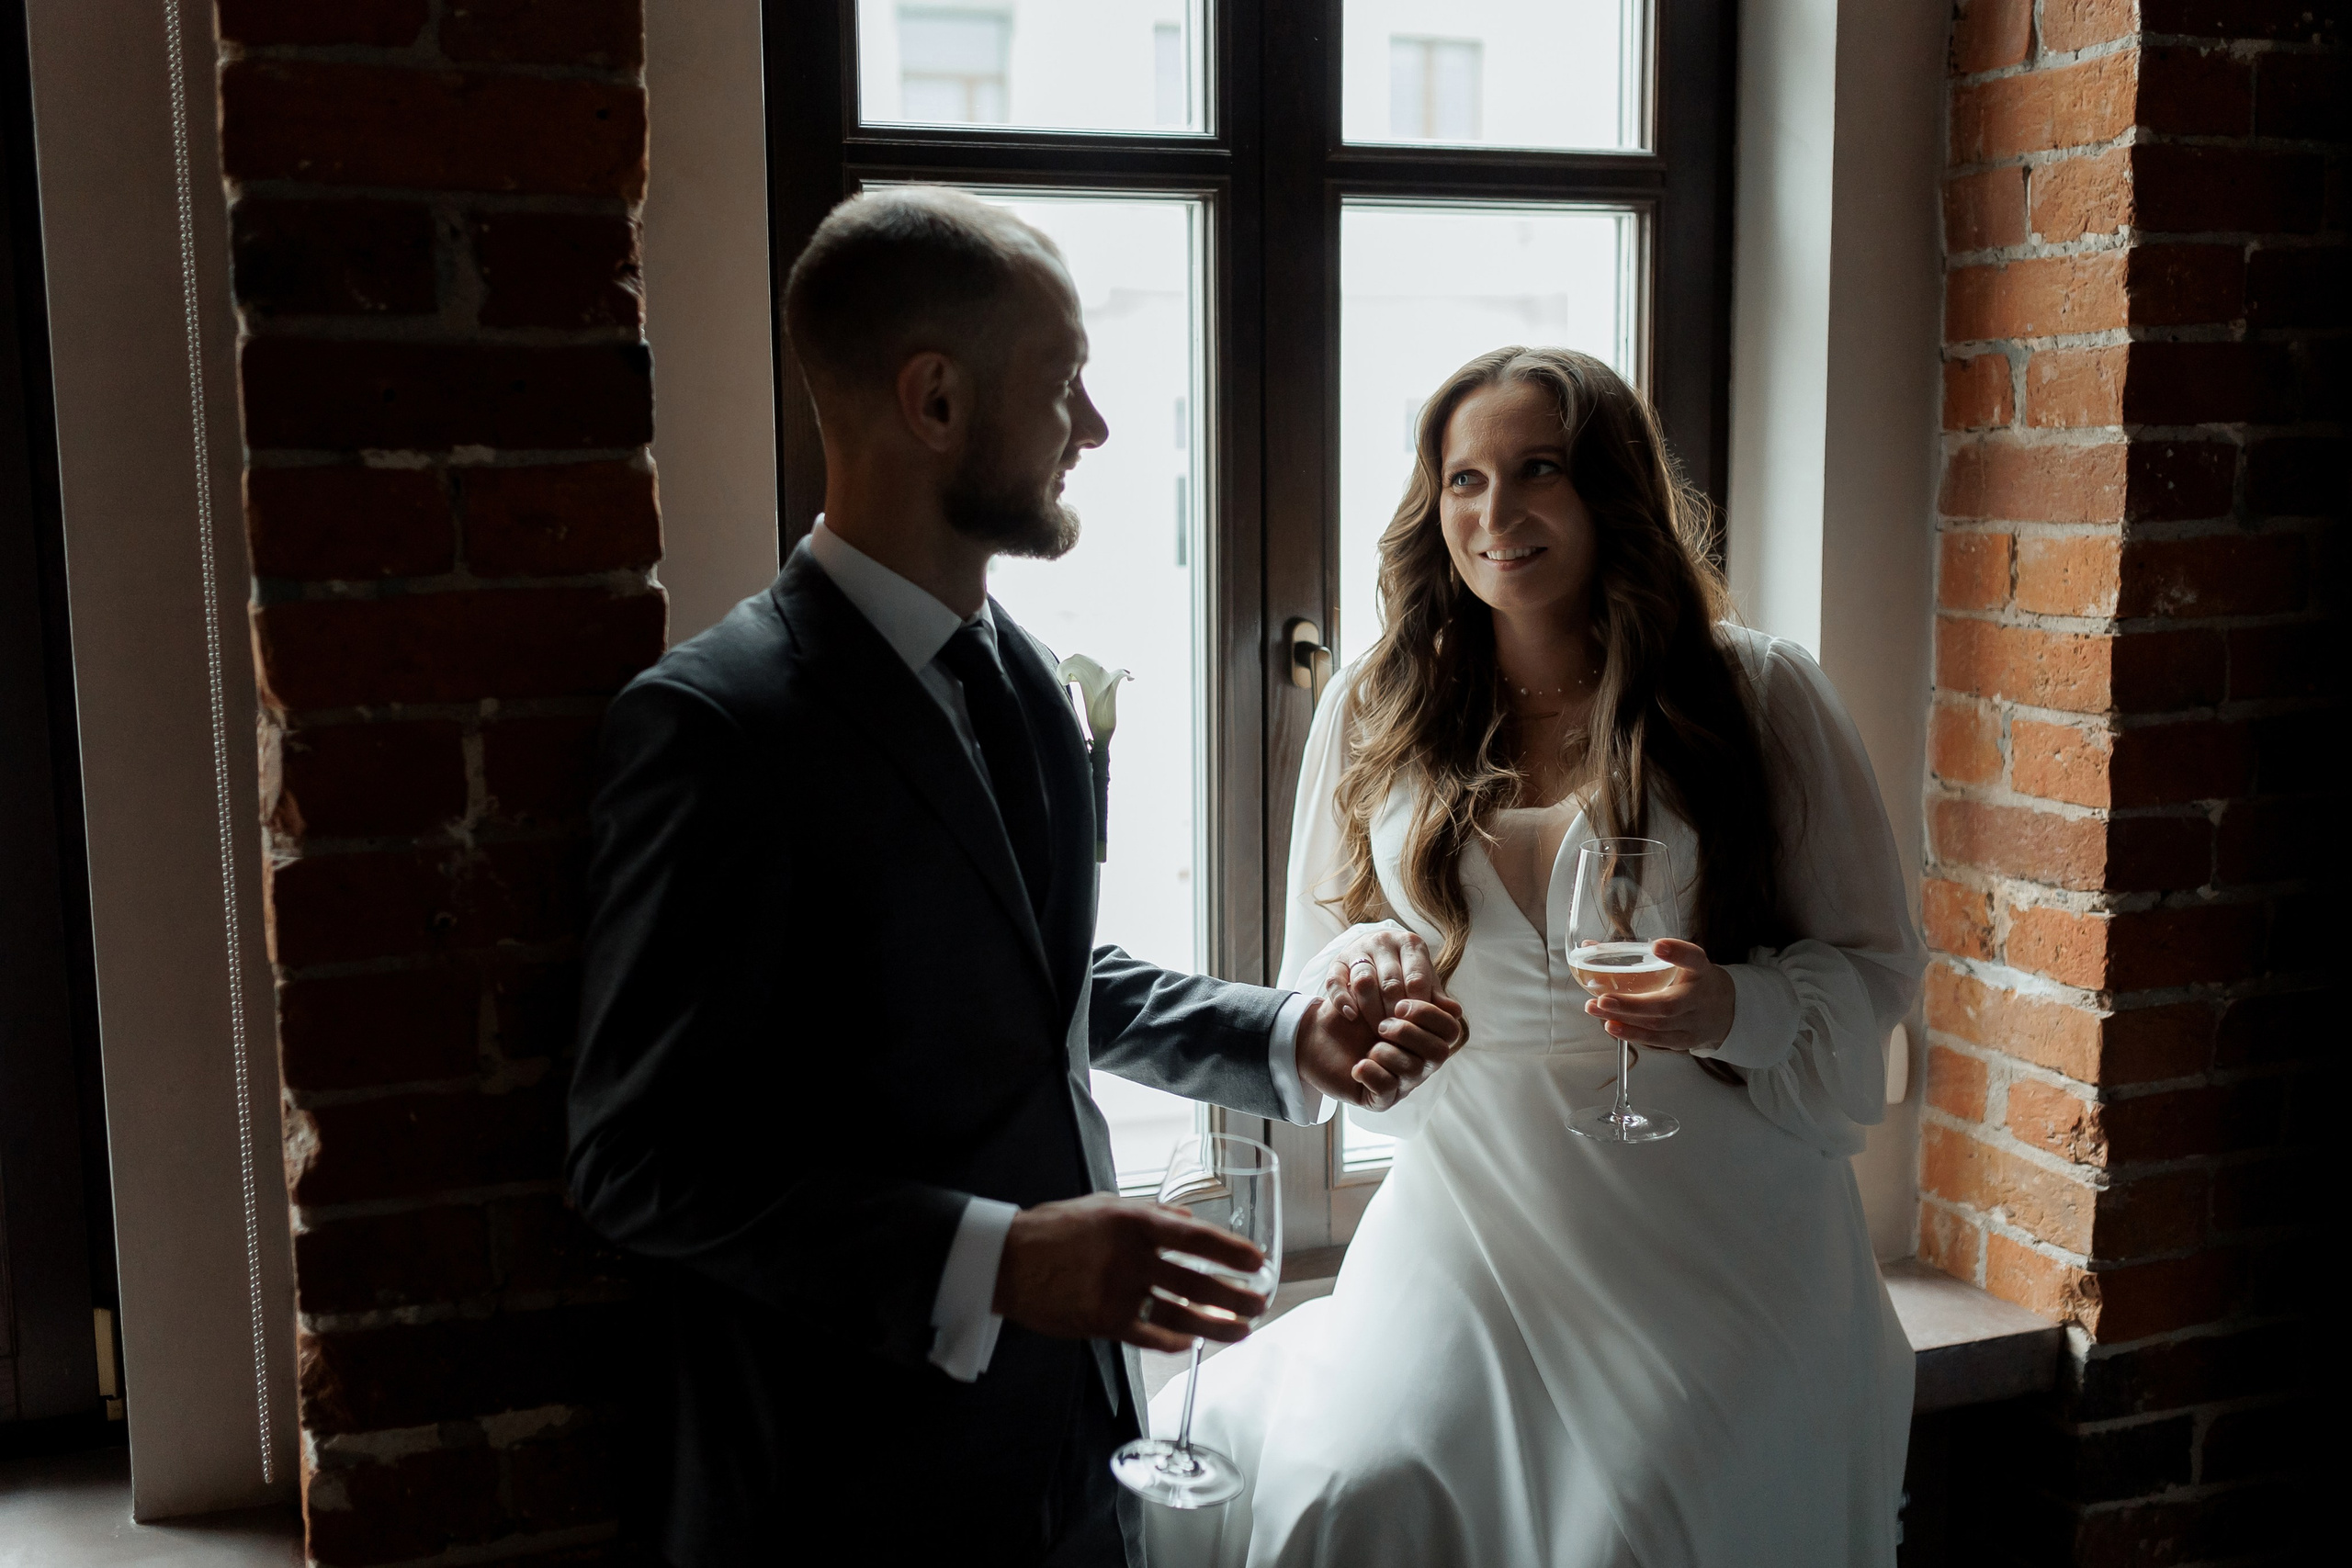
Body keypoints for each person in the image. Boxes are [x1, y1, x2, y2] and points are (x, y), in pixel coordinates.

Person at [563, 186, 1462, 1568]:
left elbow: (1036, 980)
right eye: (1064, 384)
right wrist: (994, 1260)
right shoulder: (717, 730)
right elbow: (639, 1162)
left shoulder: (1030, 681)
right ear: (935, 402)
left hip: (1071, 1438)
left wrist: (1286, 1036)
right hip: (843, 1481)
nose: (1093, 429)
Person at [1157, 346, 1924, 1566]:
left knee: (1630, 1533)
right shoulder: (1378, 701)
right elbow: (1318, 957)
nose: (1495, 513)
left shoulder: (1758, 696)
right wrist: (1369, 968)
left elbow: (1876, 969)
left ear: (1610, 489)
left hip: (1711, 1221)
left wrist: (1732, 1004)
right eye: (1464, 480)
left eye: (1538, 472)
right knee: (1348, 1495)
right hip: (1468, 1212)